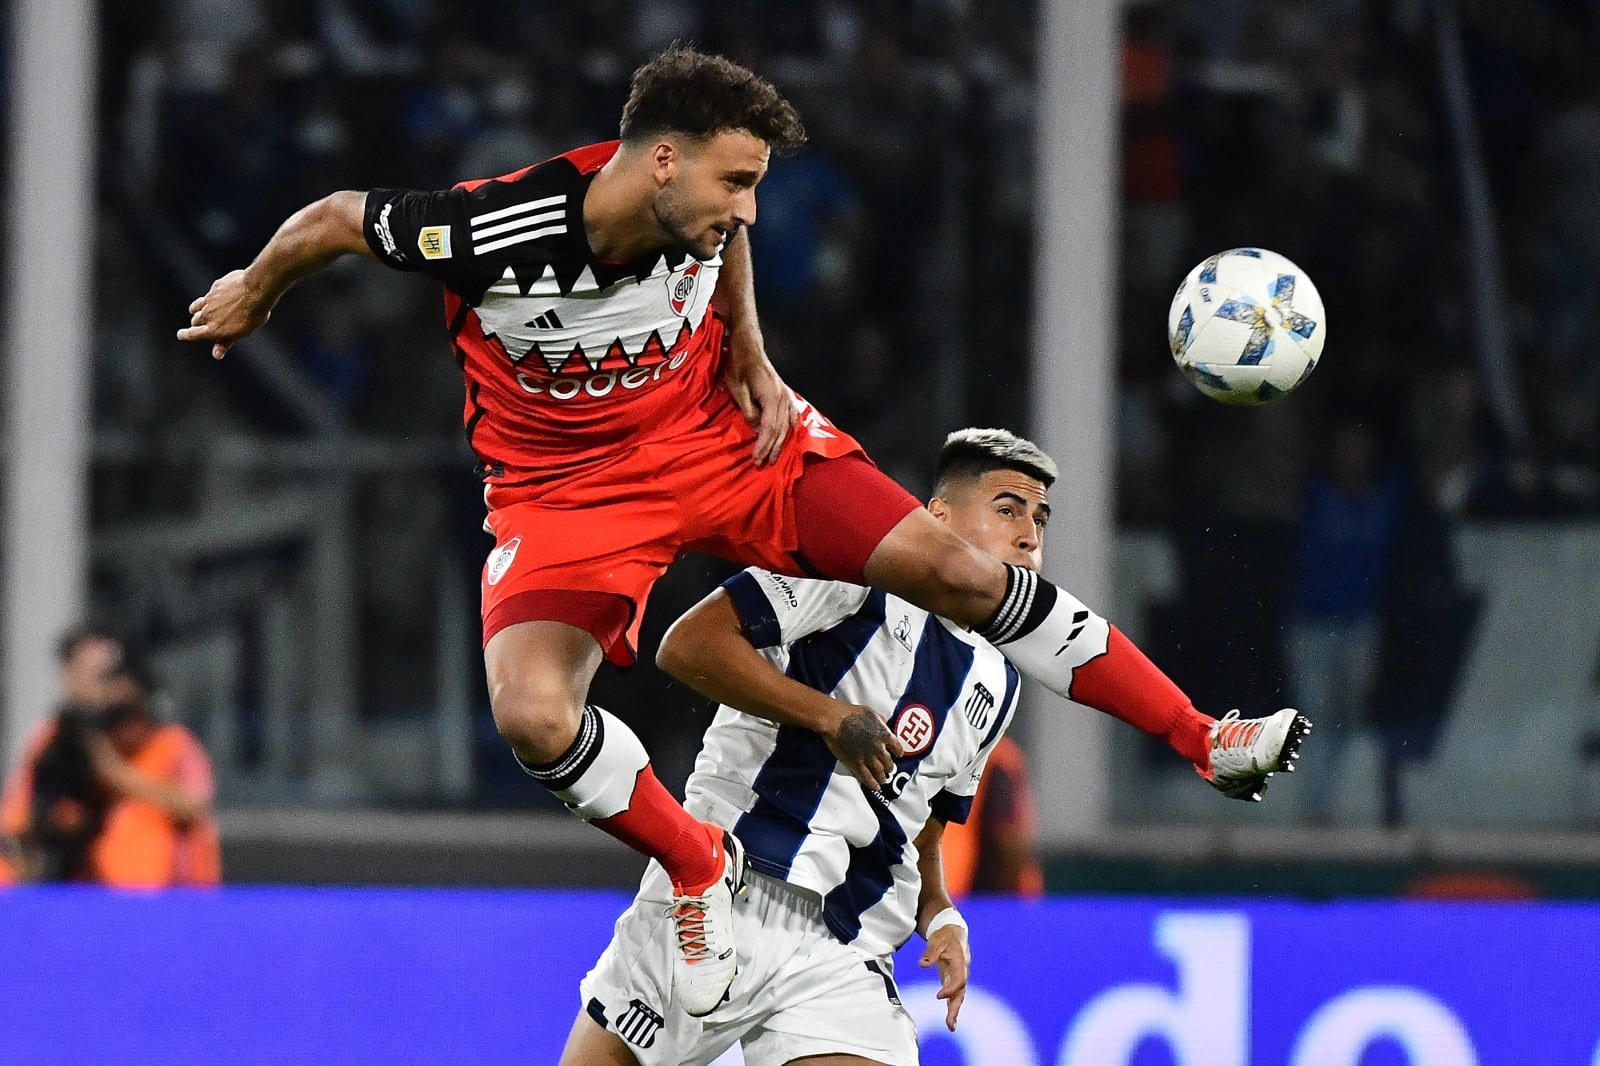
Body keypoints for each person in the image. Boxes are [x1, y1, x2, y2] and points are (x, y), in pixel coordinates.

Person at [179, 46, 1307, 1016]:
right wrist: (258, 289)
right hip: (565, 494)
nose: (749, 209)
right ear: (662, 161)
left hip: (723, 441)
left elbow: (725, 246)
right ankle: (694, 863)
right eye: (737, 181)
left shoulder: (698, 210)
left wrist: (753, 355)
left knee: (963, 574)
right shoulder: (493, 230)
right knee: (532, 716)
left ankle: (1202, 737)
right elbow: (336, 218)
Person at [563, 429, 1306, 1065]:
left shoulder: (999, 679)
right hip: (725, 896)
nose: (1029, 534)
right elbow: (687, 646)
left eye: (1040, 519)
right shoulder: (848, 569)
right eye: (1007, 509)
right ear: (935, 517)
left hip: (846, 949)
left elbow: (922, 817)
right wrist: (828, 717)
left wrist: (939, 910)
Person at [1, 633, 221, 887]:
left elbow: (194, 805)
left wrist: (112, 771)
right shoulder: (58, 739)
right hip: (84, 890)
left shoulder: (173, 743)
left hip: (171, 895)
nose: (123, 725)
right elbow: (21, 817)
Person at [939, 734, 1043, 898]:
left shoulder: (997, 757)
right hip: (953, 889)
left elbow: (1008, 839)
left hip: (950, 888)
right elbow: (1009, 839)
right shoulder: (997, 753)